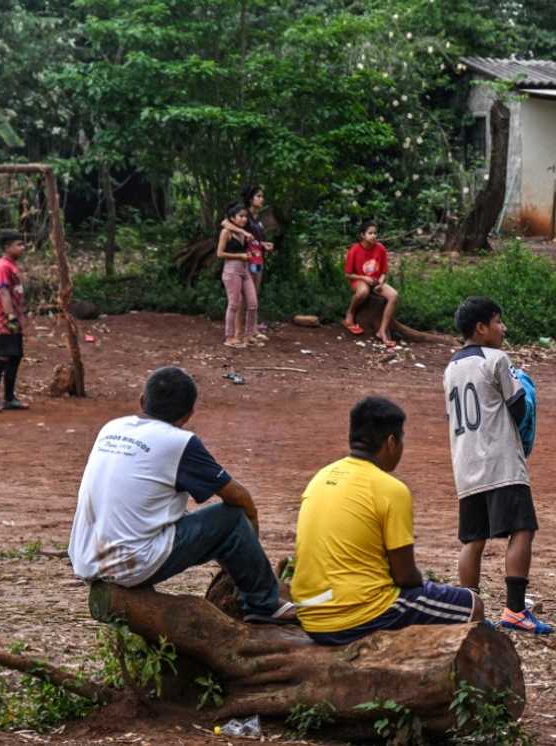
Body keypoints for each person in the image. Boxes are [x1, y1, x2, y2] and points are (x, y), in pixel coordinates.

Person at [68, 366, 294, 624]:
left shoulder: (112, 427)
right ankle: (263, 603)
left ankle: (246, 585)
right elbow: (237, 496)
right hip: (130, 564)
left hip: (85, 558)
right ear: (188, 414)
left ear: (143, 400)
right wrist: (252, 525)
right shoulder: (180, 442)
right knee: (231, 517)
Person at [292, 396, 484, 645]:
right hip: (356, 615)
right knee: (471, 604)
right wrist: (426, 585)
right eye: (402, 438)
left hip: (310, 616)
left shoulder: (321, 477)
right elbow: (404, 576)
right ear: (391, 442)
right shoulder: (390, 489)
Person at [444, 297, 553, 634]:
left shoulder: (450, 368)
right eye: (498, 321)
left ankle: (471, 613)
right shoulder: (496, 360)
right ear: (481, 328)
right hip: (501, 461)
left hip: (465, 464)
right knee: (522, 529)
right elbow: (520, 407)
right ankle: (515, 610)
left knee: (473, 539)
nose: (503, 328)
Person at [0, 230, 29, 413]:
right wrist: (10, 316)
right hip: (4, 322)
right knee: (2, 358)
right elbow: (3, 292)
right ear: (7, 247)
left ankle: (10, 398)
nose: (23, 248)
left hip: (14, 320)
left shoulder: (12, 265)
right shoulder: (3, 266)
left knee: (15, 358)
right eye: (19, 244)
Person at [222, 185, 273, 339]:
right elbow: (225, 223)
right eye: (258, 196)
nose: (261, 199)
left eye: (262, 196)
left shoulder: (258, 218)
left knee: (253, 297)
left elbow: (255, 240)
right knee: (242, 298)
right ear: (250, 199)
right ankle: (238, 331)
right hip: (245, 261)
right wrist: (243, 231)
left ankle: (252, 330)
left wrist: (264, 244)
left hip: (257, 259)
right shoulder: (244, 216)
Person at [342, 220, 398, 348]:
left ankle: (382, 331)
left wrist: (381, 282)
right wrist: (364, 278)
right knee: (363, 292)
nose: (373, 236)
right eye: (370, 233)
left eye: (375, 233)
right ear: (362, 235)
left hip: (376, 281)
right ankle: (350, 313)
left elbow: (384, 272)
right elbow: (348, 274)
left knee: (394, 295)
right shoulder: (354, 250)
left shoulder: (380, 248)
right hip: (359, 280)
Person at [217, 202, 260, 349]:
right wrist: (240, 256)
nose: (243, 219)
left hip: (244, 269)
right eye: (240, 216)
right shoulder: (226, 232)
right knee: (234, 304)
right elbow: (220, 253)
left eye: (245, 216)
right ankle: (229, 337)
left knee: (253, 303)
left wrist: (260, 247)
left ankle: (248, 336)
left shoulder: (243, 232)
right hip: (231, 270)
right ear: (232, 218)